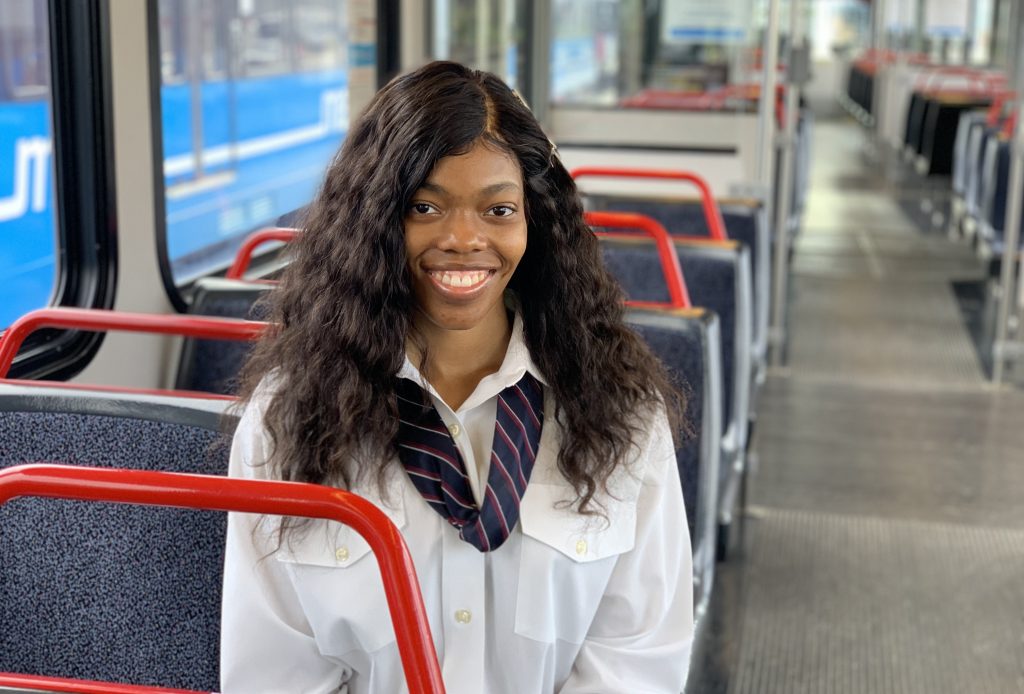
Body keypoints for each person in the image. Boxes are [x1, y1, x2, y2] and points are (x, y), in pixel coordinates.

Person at [220, 60, 693, 693]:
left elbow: (636, 659)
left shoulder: (620, 413)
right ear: (376, 221)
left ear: (535, 222)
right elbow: (275, 672)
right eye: (425, 206)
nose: (464, 239)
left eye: (498, 209)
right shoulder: (289, 420)